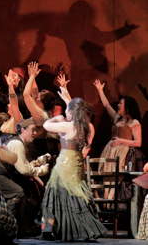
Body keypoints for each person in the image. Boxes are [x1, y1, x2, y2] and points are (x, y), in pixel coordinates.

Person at [41, 98, 106, 241]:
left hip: (65, 163)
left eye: (66, 110)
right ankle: (83, 228)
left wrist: (56, 118)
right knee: (76, 195)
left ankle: (48, 229)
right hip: (76, 164)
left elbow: (46, 125)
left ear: (71, 112)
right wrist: (67, 98)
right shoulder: (89, 127)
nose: (64, 113)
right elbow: (87, 145)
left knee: (53, 194)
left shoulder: (68, 126)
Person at [94, 79, 143, 172]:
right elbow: (107, 105)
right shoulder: (117, 118)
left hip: (123, 152)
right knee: (107, 174)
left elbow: (138, 143)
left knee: (117, 174)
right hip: (111, 150)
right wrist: (100, 90)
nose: (118, 105)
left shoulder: (134, 123)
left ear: (127, 107)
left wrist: (120, 141)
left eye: (121, 103)